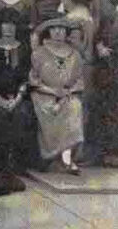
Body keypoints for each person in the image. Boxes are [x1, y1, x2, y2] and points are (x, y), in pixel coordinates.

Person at [29, 18, 85, 174]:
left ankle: (68, 159)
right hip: (44, 94)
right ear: (49, 31)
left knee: (75, 107)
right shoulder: (39, 53)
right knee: (48, 111)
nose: (58, 32)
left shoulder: (75, 54)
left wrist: (68, 91)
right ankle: (51, 158)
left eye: (62, 28)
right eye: (54, 28)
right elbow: (34, 80)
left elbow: (79, 79)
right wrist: (52, 91)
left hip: (67, 95)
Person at [0, 8, 35, 173]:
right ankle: (0, 161)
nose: (8, 28)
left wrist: (17, 99)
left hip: (19, 96)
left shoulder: (24, 49)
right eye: (5, 24)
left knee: (22, 113)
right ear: (0, 26)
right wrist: (0, 100)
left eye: (12, 24)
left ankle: (18, 162)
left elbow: (26, 78)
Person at [96, 0, 118, 167]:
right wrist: (100, 47)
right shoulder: (109, 13)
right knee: (110, 108)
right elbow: (97, 36)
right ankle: (111, 152)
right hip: (110, 67)